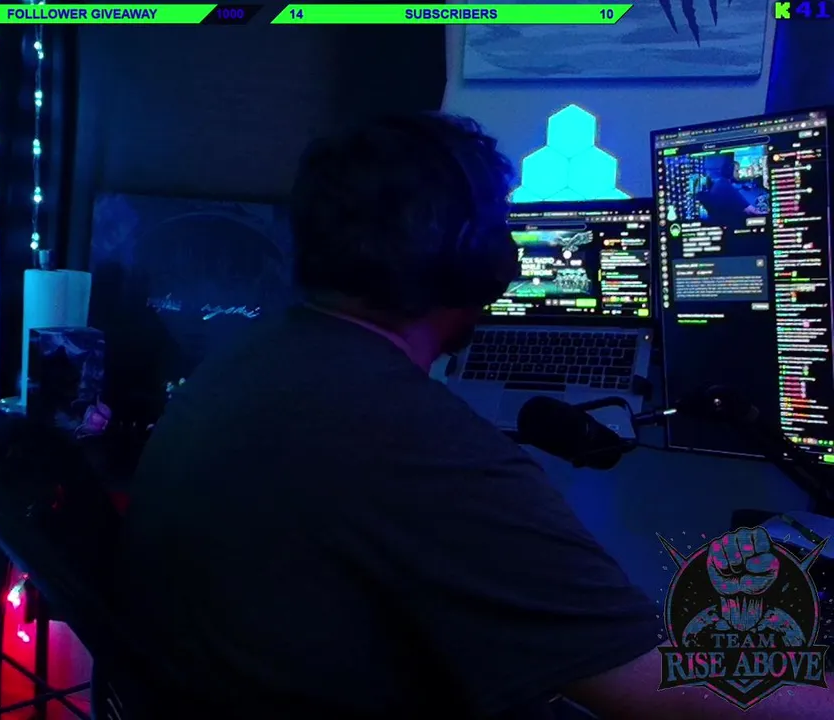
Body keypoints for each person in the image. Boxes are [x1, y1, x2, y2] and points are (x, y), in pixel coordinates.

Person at [115, 114, 834, 718]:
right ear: (472, 256)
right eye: (499, 230)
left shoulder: (248, 365)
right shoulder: (412, 440)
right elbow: (677, 692)